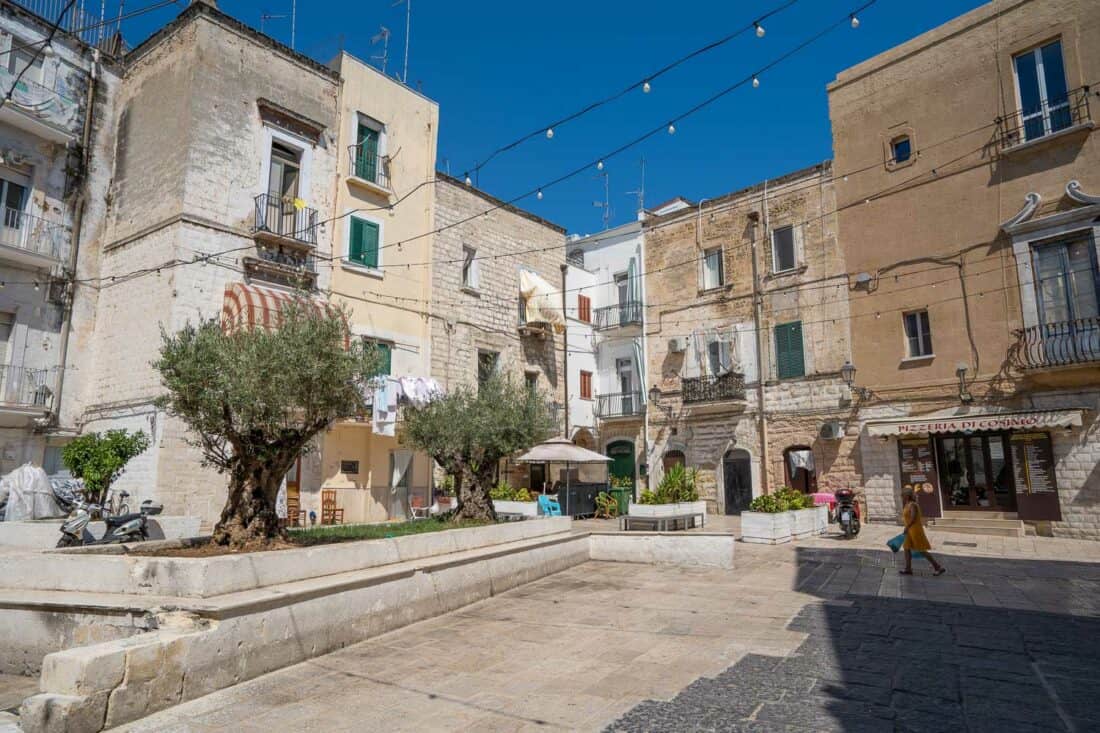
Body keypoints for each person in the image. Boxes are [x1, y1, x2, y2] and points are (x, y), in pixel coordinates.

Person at [900, 487, 946, 576]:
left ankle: (938, 567)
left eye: (903, 495)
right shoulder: (907, 504)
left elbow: (913, 518)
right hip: (909, 530)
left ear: (907, 495)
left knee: (921, 549)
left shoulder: (913, 505)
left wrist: (907, 527)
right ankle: (908, 569)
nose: (901, 496)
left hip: (915, 530)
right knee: (906, 548)